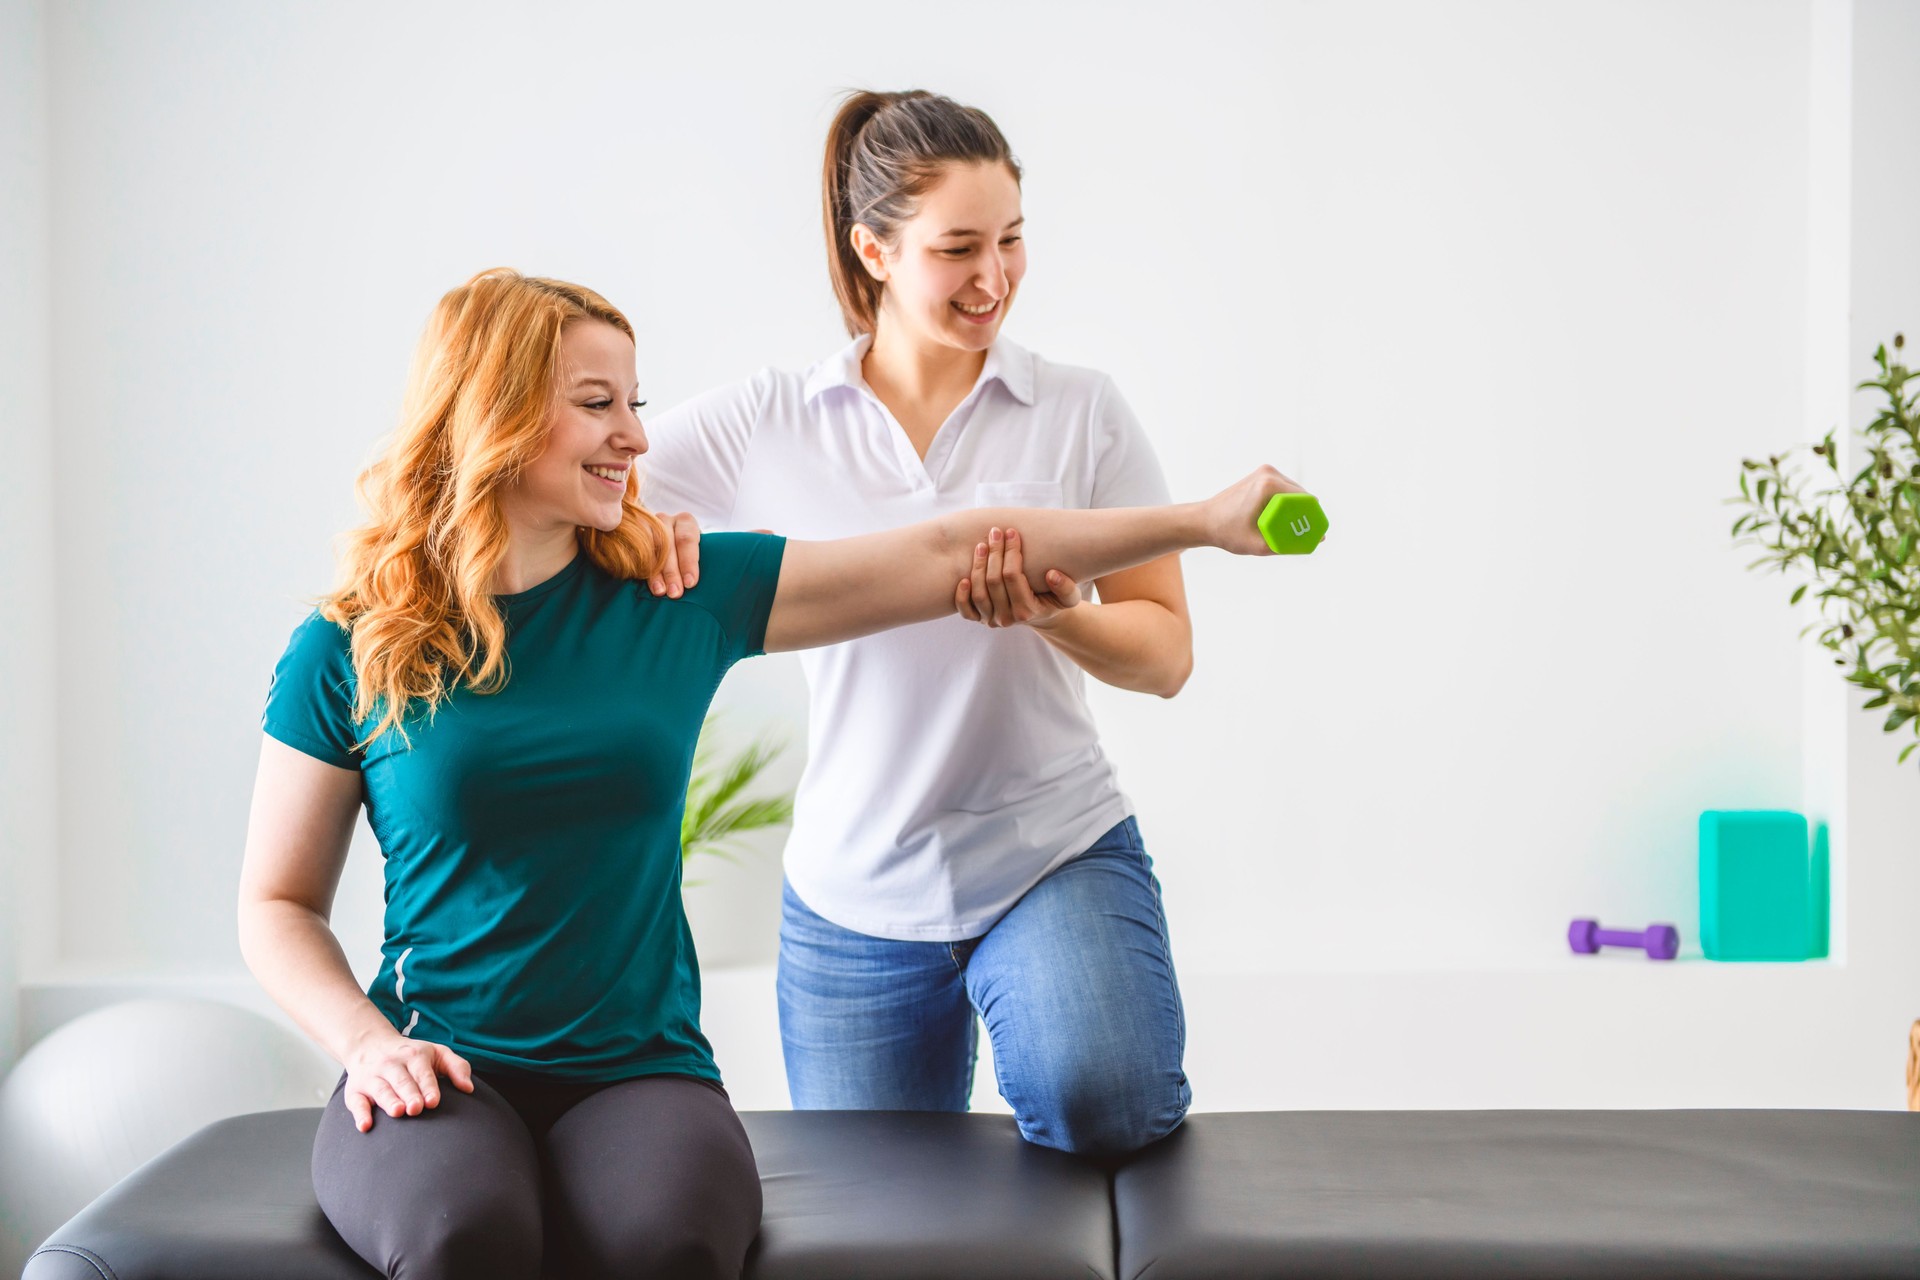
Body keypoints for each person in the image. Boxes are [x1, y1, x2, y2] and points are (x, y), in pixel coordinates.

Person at [237, 266, 1300, 1279]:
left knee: (673, 1240)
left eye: (635, 400)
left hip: (637, 1067)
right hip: (439, 1057)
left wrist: (1200, 522)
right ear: (498, 414)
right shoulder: (353, 645)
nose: (638, 435)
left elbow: (951, 548)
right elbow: (277, 903)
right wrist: (367, 1046)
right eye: (599, 403)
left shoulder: (678, 594)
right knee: (464, 1233)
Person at [642, 90, 1201, 1156]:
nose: (993, 277)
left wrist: (1058, 616)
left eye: (1011, 240)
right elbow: (589, 487)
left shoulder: (1081, 411)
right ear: (875, 251)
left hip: (1050, 851)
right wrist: (647, 534)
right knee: (878, 1217)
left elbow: (1167, 652)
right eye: (957, 249)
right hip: (852, 890)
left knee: (1107, 1101)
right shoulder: (774, 418)